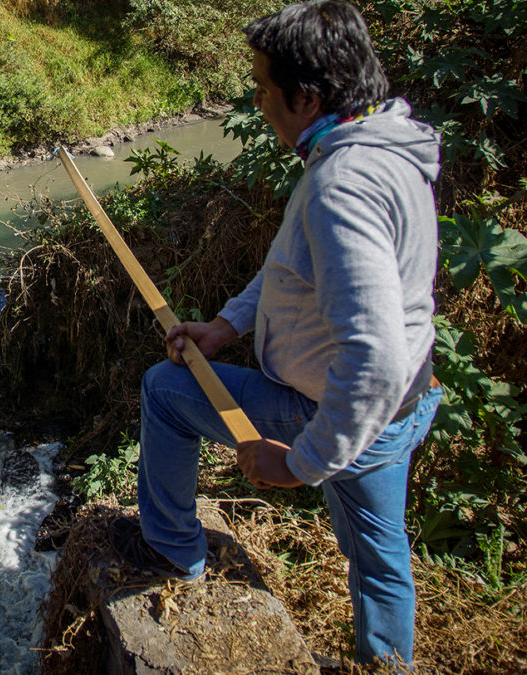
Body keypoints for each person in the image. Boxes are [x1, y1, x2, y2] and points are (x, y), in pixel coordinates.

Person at [109, 0, 442, 666]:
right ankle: (387, 662)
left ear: (307, 96)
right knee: (378, 561)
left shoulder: (341, 185)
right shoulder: (385, 147)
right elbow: (293, 268)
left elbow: (371, 359)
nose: (259, 102)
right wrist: (228, 326)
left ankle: (175, 550)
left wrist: (300, 460)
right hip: (400, 406)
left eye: (264, 87)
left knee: (165, 389)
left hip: (339, 406)